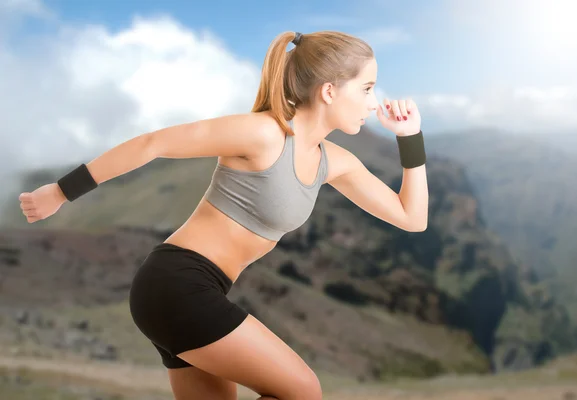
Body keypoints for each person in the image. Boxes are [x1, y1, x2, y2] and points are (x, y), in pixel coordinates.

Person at [17, 30, 428, 400]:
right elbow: (153, 143)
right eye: (368, 88)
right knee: (303, 391)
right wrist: (59, 192)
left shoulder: (334, 162)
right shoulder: (263, 134)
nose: (374, 103)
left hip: (192, 292)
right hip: (178, 284)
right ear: (329, 91)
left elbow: (412, 217)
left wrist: (410, 139)